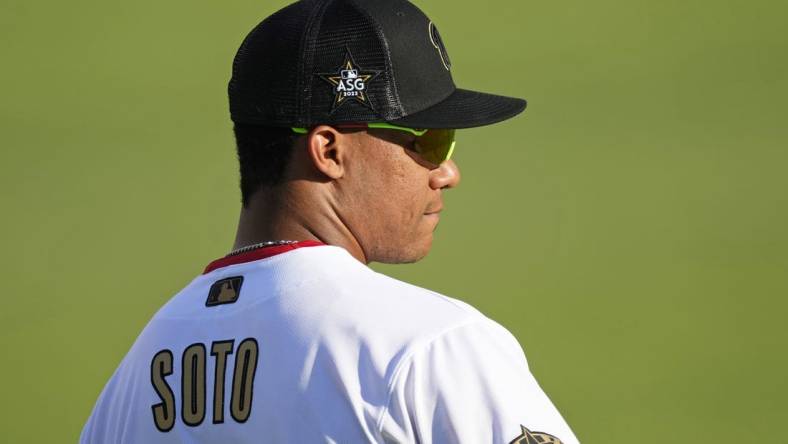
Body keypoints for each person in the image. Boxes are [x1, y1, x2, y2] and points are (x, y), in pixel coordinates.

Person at [81, 0, 579, 442]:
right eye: (427, 139)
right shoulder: (428, 346)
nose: (448, 172)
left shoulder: (134, 378)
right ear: (328, 150)